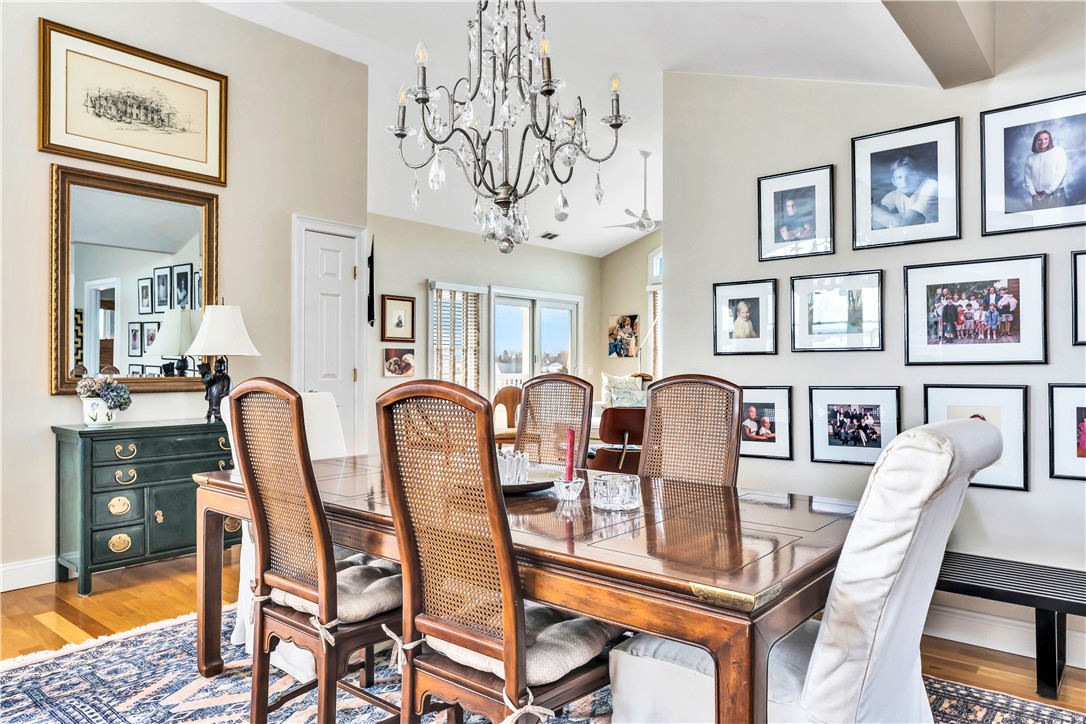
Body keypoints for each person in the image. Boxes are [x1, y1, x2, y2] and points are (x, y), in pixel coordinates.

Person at [871, 154, 938, 228]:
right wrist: (894, 219)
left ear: (920, 175)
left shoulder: (932, 186)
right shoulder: (893, 195)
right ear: (894, 181)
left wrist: (870, 207)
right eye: (899, 177)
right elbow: (874, 223)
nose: (905, 182)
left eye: (910, 175)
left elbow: (903, 223)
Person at [1024, 129, 1068, 209]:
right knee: (1039, 219)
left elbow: (1060, 173)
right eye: (1039, 139)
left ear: (1049, 139)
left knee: (1063, 217)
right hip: (1037, 194)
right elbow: (1027, 178)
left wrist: (1048, 192)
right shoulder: (1030, 158)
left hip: (1056, 191)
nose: (1043, 142)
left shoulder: (1058, 151)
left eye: (1046, 139)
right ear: (1035, 141)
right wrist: (1033, 193)